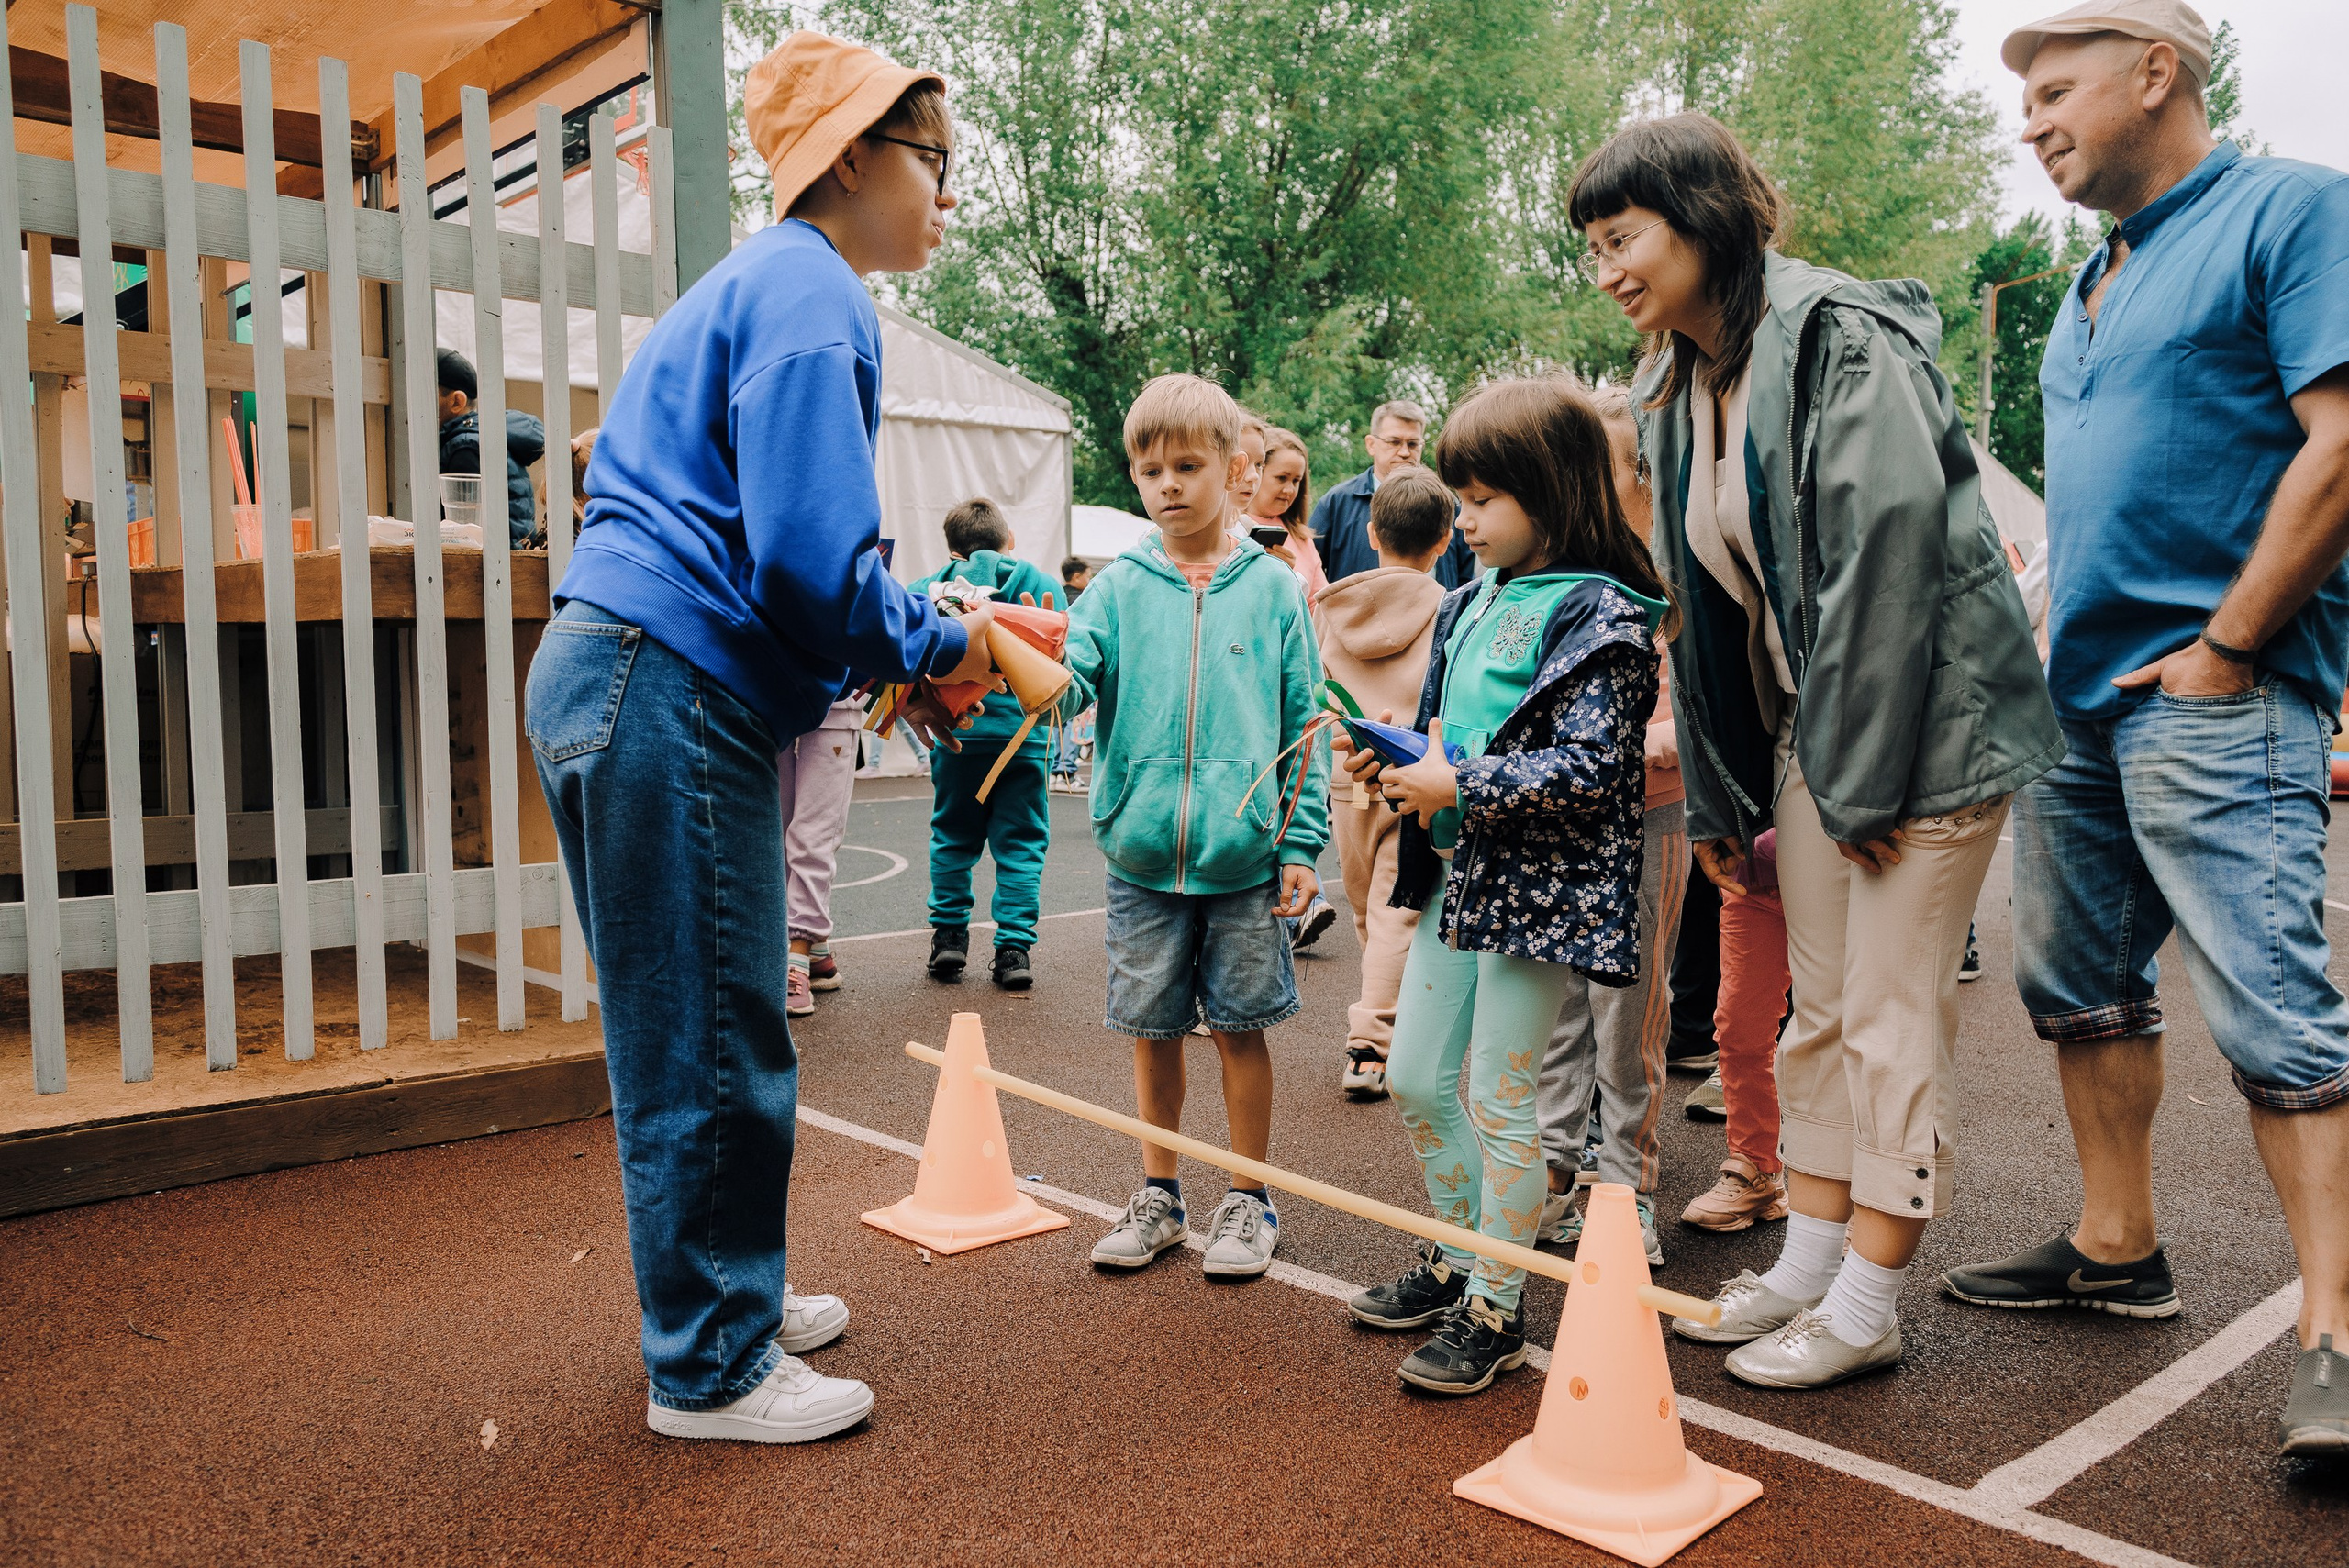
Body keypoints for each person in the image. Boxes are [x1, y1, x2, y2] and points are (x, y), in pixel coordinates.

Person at [526, 34, 998, 1444]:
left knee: (688, 1027)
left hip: (616, 667)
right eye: (936, 163)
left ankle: (728, 1292)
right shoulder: (814, 292)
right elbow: (807, 561)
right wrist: (936, 639)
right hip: (665, 683)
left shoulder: (753, 285)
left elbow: (775, 555)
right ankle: (712, 1364)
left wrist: (900, 634)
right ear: (852, 156)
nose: (947, 196)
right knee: (712, 1038)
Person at [1569, 113, 2061, 1389]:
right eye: (1593, 247)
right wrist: (1734, 796)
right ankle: (1811, 1259)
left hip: (1923, 732)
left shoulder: (1842, 332)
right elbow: (1709, 599)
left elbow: (1889, 563)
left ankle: (1871, 1298)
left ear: (1701, 216)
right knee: (1821, 1013)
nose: (1606, 267)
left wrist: (1860, 775)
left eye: (1622, 237)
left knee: (1889, 1016)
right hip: (1821, 732)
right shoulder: (1676, 379)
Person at [1948, 1, 2349, 1457]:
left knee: (2278, 1011)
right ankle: (2117, 1249)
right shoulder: (2088, 280)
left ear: (2158, 72)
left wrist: (2231, 646)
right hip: (2080, 706)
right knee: (2079, 985)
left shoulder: (2294, 212)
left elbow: (2346, 437)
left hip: (2218, 690)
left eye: (2057, 90)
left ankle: (2337, 1338)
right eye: (2027, 100)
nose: (2033, 118)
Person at [1341, 377, 1671, 1396]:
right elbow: (1442, 732)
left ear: (1553, 490)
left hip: (1537, 897)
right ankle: (1458, 1254)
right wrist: (1394, 762)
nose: (1462, 519)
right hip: (1455, 876)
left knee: (1499, 1097)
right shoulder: (1466, 600)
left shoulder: (1603, 612)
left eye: (1484, 498)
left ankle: (1498, 1301)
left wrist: (1458, 779)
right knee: (1415, 1077)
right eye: (1458, 496)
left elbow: (1594, 768)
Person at [1063, 373, 1329, 1283]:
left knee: (1240, 1028)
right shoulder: (1114, 589)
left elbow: (1307, 721)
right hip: (1139, 853)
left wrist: (1299, 841)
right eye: (1148, 469)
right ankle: (1159, 1193)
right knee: (1152, 1027)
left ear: (1236, 467)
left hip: (1245, 856)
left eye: (1186, 464)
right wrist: (1008, 653)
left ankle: (1249, 1198)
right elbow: (1072, 676)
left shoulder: (1273, 588)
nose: (1167, 483)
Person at [1532, 383, 1691, 1267]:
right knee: (1554, 1006)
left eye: (1608, 455)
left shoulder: (1674, 565)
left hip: (1647, 817)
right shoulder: (1543, 566)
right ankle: (1553, 1175)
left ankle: (1626, 1184)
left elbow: (1710, 703)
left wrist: (1652, 746)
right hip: (1557, 819)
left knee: (1629, 1011)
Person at [1316, 465, 1453, 1100]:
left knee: (1371, 908)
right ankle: (1373, 1042)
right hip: (1411, 774)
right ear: (1445, 539)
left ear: (1372, 532)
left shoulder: (1331, 609)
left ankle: (1380, 1023)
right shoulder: (1450, 610)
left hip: (1348, 778)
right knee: (1397, 915)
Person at [909, 498, 1061, 989]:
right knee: (1021, 844)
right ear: (1008, 539)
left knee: (952, 835)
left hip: (958, 735)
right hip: (1022, 735)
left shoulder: (927, 587)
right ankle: (1014, 949)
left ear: (951, 548)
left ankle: (949, 937)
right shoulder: (1039, 583)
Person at [1310, 400, 1480, 588]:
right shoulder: (1337, 503)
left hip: (1437, 614)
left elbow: (1466, 581)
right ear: (1371, 444)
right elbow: (1312, 571)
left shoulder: (1447, 503)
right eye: (1394, 442)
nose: (1405, 452)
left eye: (1413, 443)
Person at [779, 697, 863, 1018]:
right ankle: (816, 956)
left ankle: (797, 954)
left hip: (835, 701)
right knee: (775, 828)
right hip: (766, 695)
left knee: (814, 835)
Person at [435, 347, 546, 546]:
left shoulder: (465, 447)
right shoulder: (481, 437)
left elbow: (466, 533)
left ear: (457, 401)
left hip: (493, 569)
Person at [1247, 425, 1329, 603]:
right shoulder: (1230, 527)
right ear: (1257, 472)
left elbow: (1319, 604)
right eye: (1281, 478)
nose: (1289, 489)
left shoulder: (1302, 538)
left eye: (1296, 480)